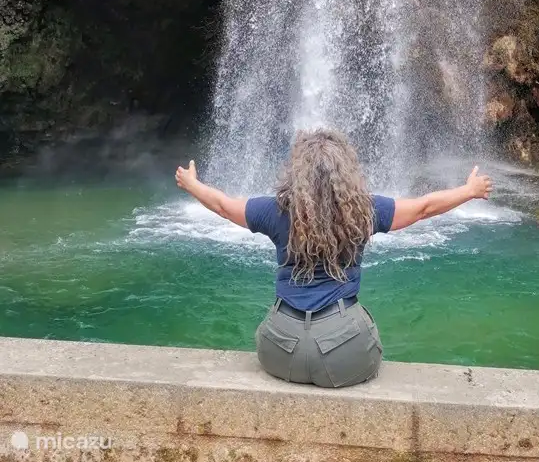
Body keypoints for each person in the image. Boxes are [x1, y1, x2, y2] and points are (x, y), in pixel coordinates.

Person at [175, 127, 493, 388]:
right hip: (343, 353)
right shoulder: (364, 210)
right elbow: (423, 208)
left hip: (278, 350)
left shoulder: (276, 211)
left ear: (297, 173)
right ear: (347, 173)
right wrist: (469, 191)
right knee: (367, 327)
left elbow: (222, 205)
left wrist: (192, 184)